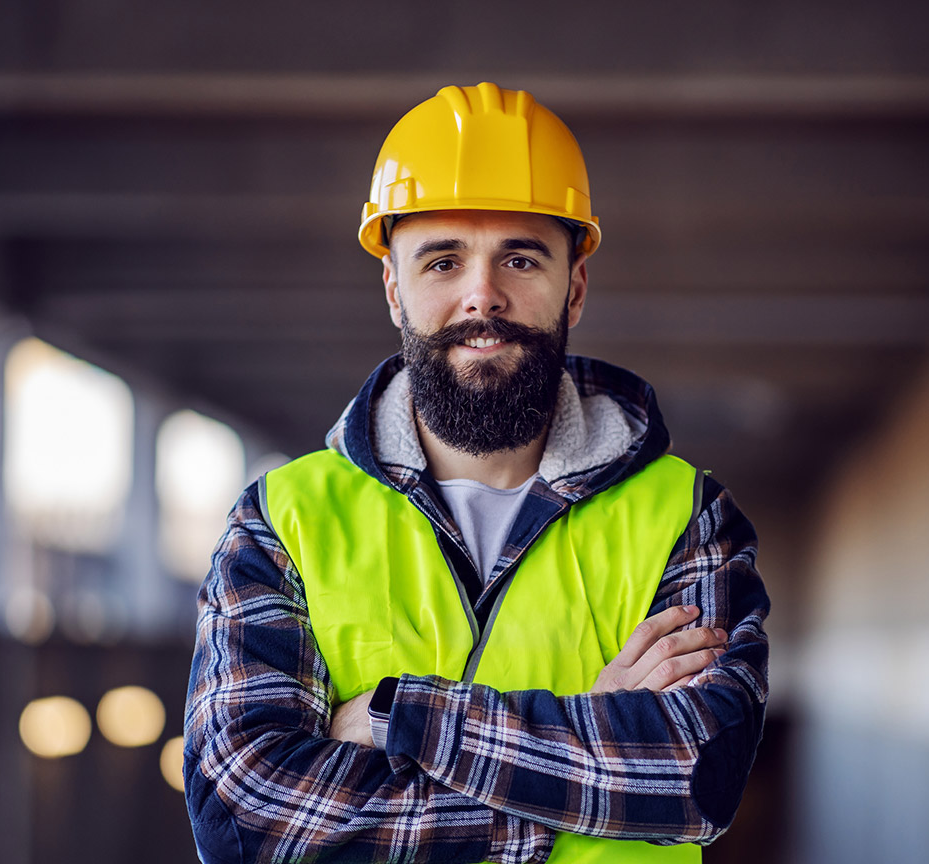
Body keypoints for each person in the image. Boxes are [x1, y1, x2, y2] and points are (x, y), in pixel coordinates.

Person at [183, 82, 770, 864]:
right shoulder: (282, 521)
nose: (481, 296)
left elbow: (694, 777)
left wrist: (401, 720)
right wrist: (586, 758)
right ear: (394, 286)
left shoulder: (686, 517)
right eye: (443, 260)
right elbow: (246, 820)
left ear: (576, 286)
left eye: (520, 258)